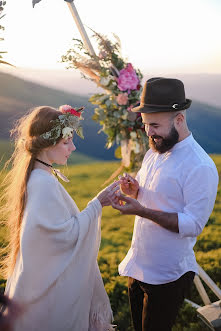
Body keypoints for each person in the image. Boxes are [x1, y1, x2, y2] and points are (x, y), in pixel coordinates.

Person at [110, 78, 219, 331]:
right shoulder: (154, 151)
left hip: (168, 274)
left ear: (179, 119)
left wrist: (142, 210)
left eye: (155, 125)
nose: (149, 132)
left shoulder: (200, 166)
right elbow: (155, 196)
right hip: (138, 264)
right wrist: (136, 191)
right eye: (146, 125)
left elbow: (192, 224)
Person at [1, 104, 119, 331]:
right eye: (66, 142)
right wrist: (97, 204)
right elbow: (61, 238)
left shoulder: (41, 176)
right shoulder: (42, 183)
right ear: (47, 144)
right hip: (47, 294)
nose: (73, 147)